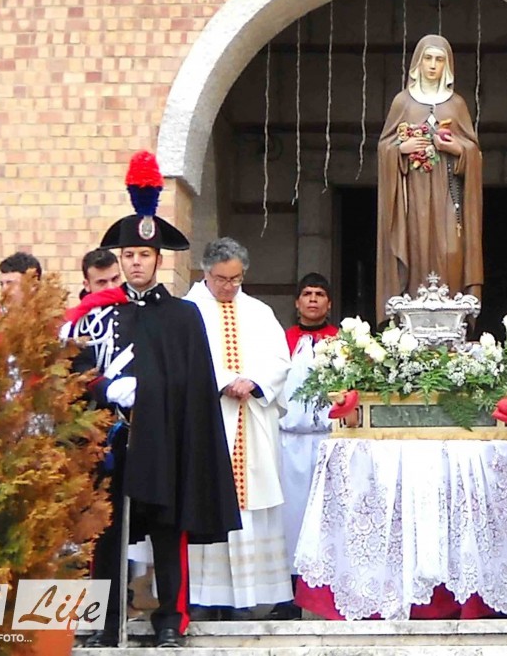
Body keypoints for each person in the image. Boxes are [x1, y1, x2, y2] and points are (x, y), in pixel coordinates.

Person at [71, 151, 241, 648]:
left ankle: (170, 619)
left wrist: (156, 392)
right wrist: (105, 389)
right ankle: (106, 623)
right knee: (106, 531)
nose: (136, 263)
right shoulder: (101, 313)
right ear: (120, 260)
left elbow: (193, 383)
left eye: (144, 255)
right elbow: (79, 371)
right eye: (128, 256)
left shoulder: (182, 317)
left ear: (158, 259)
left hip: (164, 440)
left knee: (167, 531)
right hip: (113, 441)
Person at [185, 237, 294, 618]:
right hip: (208, 419)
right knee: (206, 500)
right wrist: (224, 380)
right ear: (206, 272)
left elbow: (280, 360)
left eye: (236, 279)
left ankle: (245, 600)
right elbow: (184, 360)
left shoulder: (259, 312)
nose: (229, 286)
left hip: (251, 422)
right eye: (222, 279)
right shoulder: (187, 310)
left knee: (251, 508)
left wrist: (254, 382)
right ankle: (202, 598)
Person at [376, 34, 483, 321]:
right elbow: (385, 147)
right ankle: (411, 318)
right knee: (415, 247)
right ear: (418, 63)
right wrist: (401, 149)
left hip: (449, 193)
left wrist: (456, 148)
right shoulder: (403, 102)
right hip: (413, 196)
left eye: (439, 60)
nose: (433, 65)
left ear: (447, 65)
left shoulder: (456, 104)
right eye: (428, 58)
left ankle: (452, 317)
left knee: (451, 250)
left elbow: (473, 151)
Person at [278, 272, 339, 620]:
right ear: (297, 302)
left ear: (328, 304)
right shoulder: (281, 341)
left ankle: (326, 596)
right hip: (287, 444)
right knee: (288, 520)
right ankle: (287, 596)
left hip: (328, 442)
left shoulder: (342, 343)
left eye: (319, 294)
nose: (313, 299)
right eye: (307, 294)